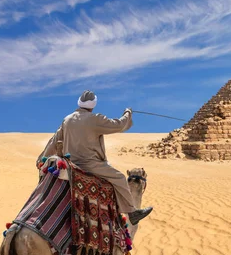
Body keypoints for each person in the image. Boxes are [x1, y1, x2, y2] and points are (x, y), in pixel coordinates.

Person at [37, 90, 153, 224]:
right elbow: (119, 125)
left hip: (70, 163)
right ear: (93, 105)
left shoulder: (67, 120)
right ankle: (132, 213)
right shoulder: (95, 119)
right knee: (120, 178)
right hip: (91, 164)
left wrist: (42, 158)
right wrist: (128, 113)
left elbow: (54, 139)